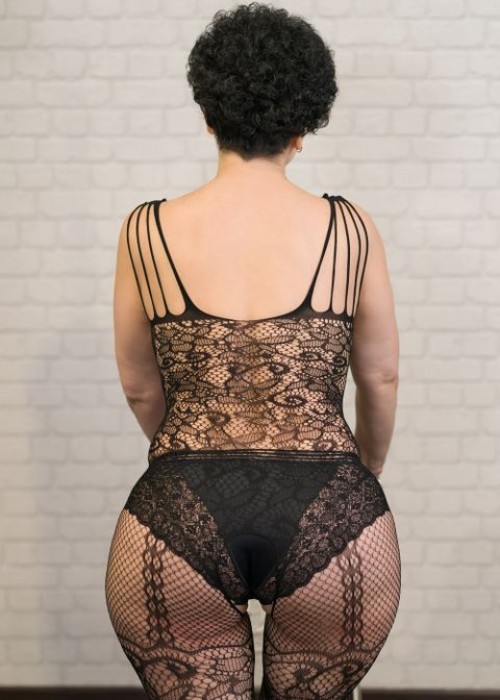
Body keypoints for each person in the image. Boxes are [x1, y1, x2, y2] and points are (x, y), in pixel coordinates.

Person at [105, 3, 401, 699]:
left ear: (208, 116)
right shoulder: (349, 228)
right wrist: (363, 473)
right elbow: (381, 376)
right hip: (332, 503)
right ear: (304, 126)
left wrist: (191, 456)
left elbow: (141, 387)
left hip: (180, 505)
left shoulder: (146, 231)